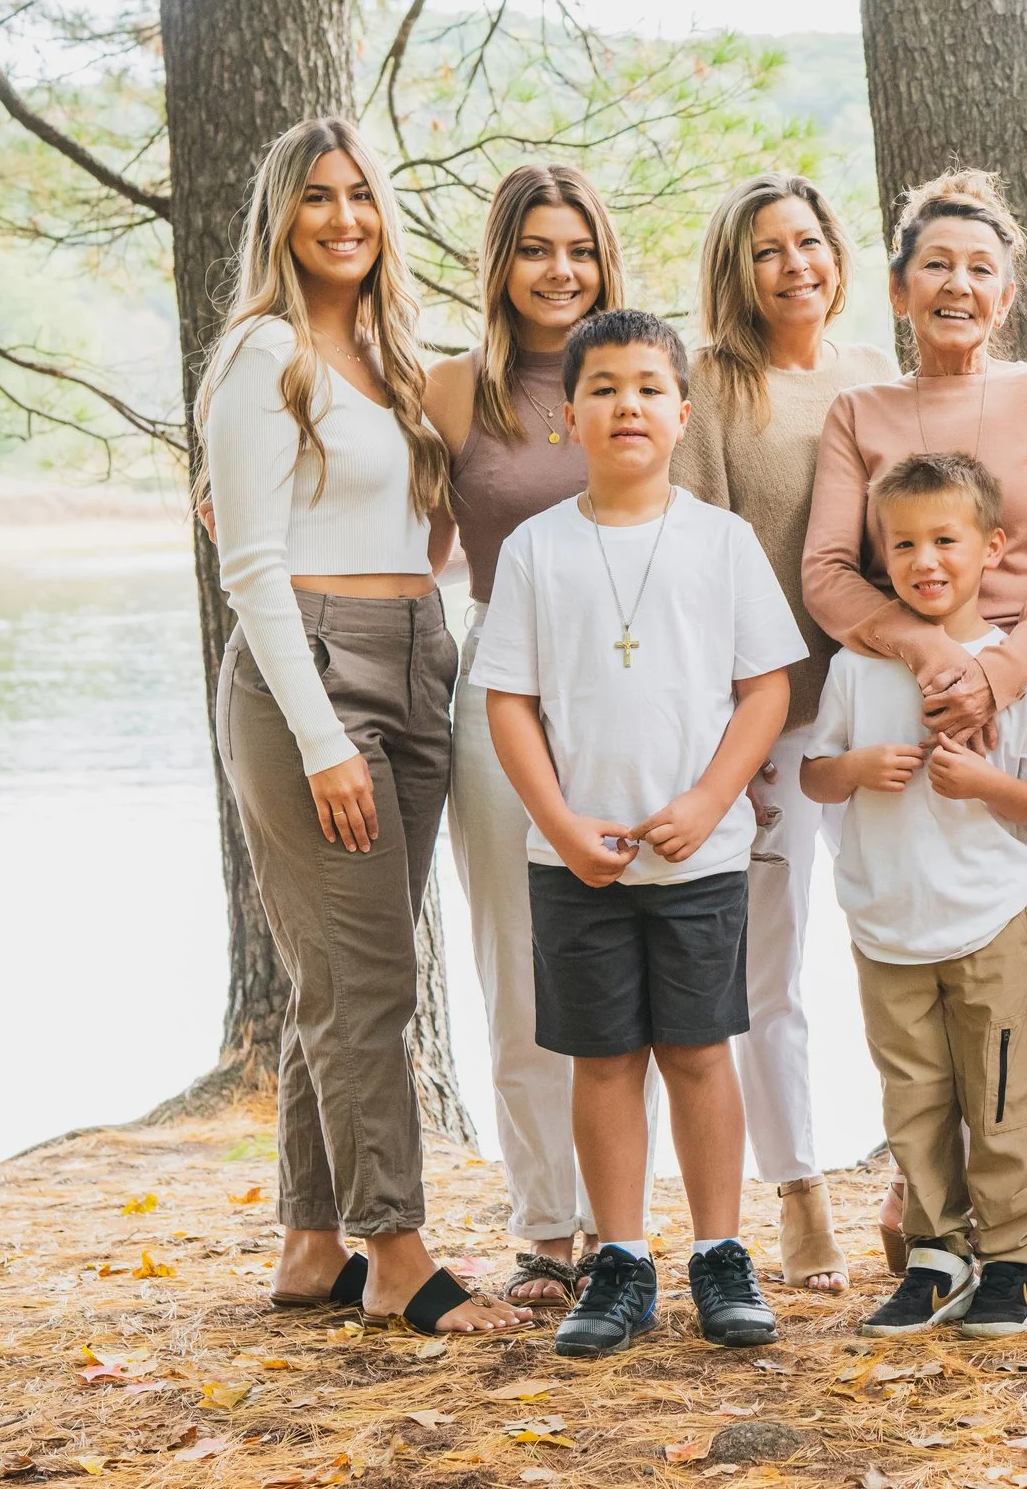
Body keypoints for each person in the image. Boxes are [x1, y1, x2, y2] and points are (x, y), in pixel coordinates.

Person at [201, 115, 527, 1336]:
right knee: (371, 977)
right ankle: (396, 1252)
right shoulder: (260, 356)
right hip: (314, 673)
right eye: (318, 198)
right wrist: (324, 739)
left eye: (361, 197)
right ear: (281, 217)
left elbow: (419, 535)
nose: (344, 217)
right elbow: (252, 568)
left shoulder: (393, 360)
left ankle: (308, 1244)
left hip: (419, 654)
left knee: (339, 973)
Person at [470, 309, 805, 1359]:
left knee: (700, 1051)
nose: (628, 405)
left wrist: (711, 799)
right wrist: (560, 823)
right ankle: (617, 1259)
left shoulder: (722, 540)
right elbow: (510, 703)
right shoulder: (535, 550)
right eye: (604, 388)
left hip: (696, 854)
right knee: (603, 1058)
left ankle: (718, 1252)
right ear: (568, 416)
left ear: (681, 411)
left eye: (649, 388)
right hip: (579, 860)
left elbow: (767, 690)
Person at [803, 169, 1027, 1318]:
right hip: (903, 688)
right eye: (936, 264)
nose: (958, 284)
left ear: (1010, 289)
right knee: (924, 1006)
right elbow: (829, 572)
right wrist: (928, 659)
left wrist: (1000, 670)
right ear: (896, 286)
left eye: (981, 267)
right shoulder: (860, 415)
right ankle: (938, 1228)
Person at [427, 163, 657, 1312]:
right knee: (517, 971)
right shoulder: (455, 395)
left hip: (639, 703)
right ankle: (546, 1232)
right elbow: (404, 547)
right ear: (500, 263)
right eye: (534, 249)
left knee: (634, 967)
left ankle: (630, 1231)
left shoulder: (643, 379)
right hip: (499, 701)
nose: (558, 270)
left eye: (577, 248)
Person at [675, 173, 897, 1295]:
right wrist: (723, 733)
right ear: (737, 267)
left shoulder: (873, 380)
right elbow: (698, 559)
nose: (794, 264)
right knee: (770, 968)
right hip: (765, 713)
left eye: (809, 242)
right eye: (768, 250)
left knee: (908, 942)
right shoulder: (712, 387)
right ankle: (799, 1191)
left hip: (878, 702)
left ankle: (918, 1179)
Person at [800, 454, 1027, 1339]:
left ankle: (1013, 1255)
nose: (925, 561)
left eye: (945, 541)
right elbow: (813, 776)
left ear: (992, 548)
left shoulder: (1006, 673)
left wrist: (982, 784)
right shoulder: (856, 667)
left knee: (998, 1094)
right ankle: (936, 1251)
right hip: (884, 924)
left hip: (987, 917)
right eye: (904, 544)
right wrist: (857, 768)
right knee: (912, 1094)